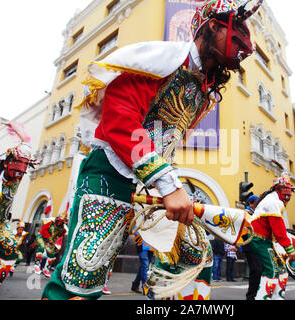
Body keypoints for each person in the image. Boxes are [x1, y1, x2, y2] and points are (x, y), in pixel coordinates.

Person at [42, 0, 263, 300]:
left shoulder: (204, 90)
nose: (246, 46)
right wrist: (168, 183)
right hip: (111, 173)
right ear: (213, 24)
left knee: (193, 258)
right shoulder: (162, 59)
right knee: (84, 274)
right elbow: (119, 120)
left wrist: (169, 184)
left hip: (152, 187)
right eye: (238, 31)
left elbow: (165, 140)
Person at [0, 123, 36, 299]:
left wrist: (25, 143)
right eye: (18, 162)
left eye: (26, 164)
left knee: (10, 249)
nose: (22, 169)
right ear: (7, 162)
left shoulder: (15, 180)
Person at [246, 173, 295, 300]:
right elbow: (279, 232)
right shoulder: (273, 202)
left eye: (289, 190)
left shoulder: (273, 200)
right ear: (277, 190)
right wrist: (291, 251)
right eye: (285, 190)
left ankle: (277, 297)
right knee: (272, 270)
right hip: (258, 240)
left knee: (281, 270)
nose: (288, 194)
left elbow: (277, 233)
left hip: (264, 241)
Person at [242, 194, 263, 300]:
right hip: (250, 245)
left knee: (259, 270)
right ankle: (251, 296)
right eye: (256, 203)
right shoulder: (247, 213)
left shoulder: (257, 213)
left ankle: (258, 293)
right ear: (251, 203)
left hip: (259, 245)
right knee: (256, 270)